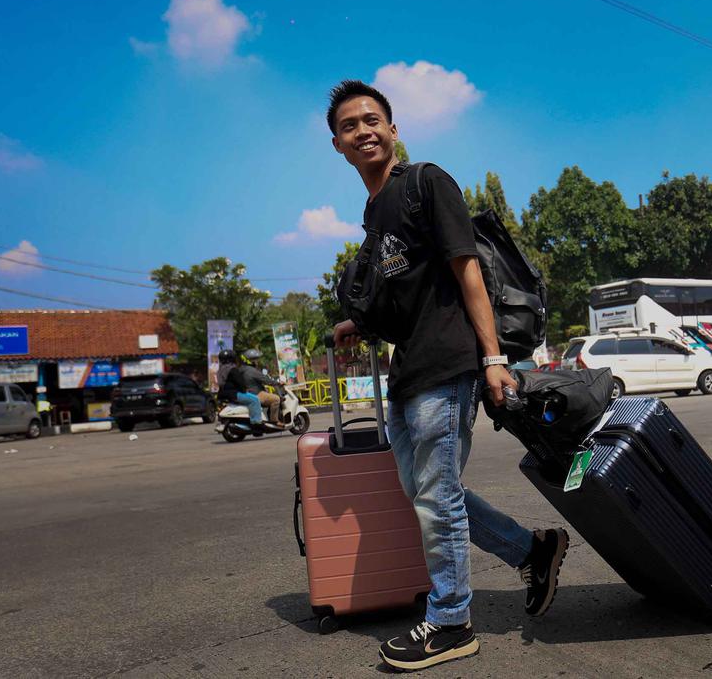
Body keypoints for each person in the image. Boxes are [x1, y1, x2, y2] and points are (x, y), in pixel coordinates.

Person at [326, 80, 569, 672]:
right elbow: (401, 293)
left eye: (372, 119)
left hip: (448, 361)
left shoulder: (427, 182)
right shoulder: (373, 212)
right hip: (406, 371)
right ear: (337, 145)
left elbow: (468, 275)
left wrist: (492, 359)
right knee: (429, 493)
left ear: (393, 127)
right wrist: (358, 322)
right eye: (350, 125)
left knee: (436, 496)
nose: (364, 131)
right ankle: (531, 550)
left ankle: (452, 621)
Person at [215, 350, 267, 431]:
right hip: (234, 394)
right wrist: (245, 390)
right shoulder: (232, 369)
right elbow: (240, 382)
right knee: (255, 400)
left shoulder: (220, 370)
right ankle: (256, 423)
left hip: (222, 394)